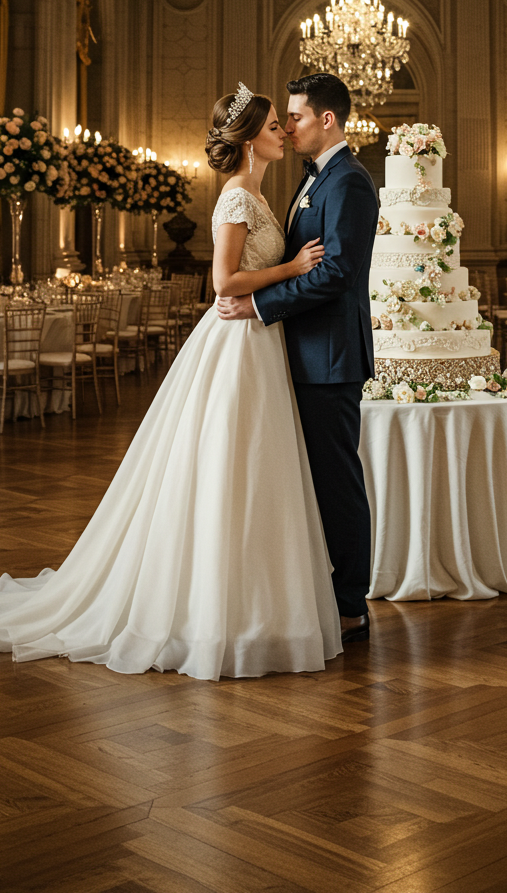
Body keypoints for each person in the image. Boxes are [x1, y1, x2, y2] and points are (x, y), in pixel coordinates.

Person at [0, 87, 342, 681]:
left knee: (254, 468)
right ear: (246, 139)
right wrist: (292, 268)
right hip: (237, 343)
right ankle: (214, 612)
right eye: (272, 125)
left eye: (282, 123)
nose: (283, 132)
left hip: (259, 342)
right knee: (227, 465)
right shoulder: (238, 197)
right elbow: (224, 281)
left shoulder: (261, 195)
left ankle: (256, 606)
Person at [218, 72, 378, 642]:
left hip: (329, 359)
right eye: (282, 119)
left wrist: (261, 304)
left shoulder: (349, 183)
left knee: (337, 482)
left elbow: (336, 272)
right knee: (309, 482)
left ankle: (350, 605)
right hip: (301, 355)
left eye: (296, 117)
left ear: (326, 120)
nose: (288, 126)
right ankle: (314, 592)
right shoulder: (314, 179)